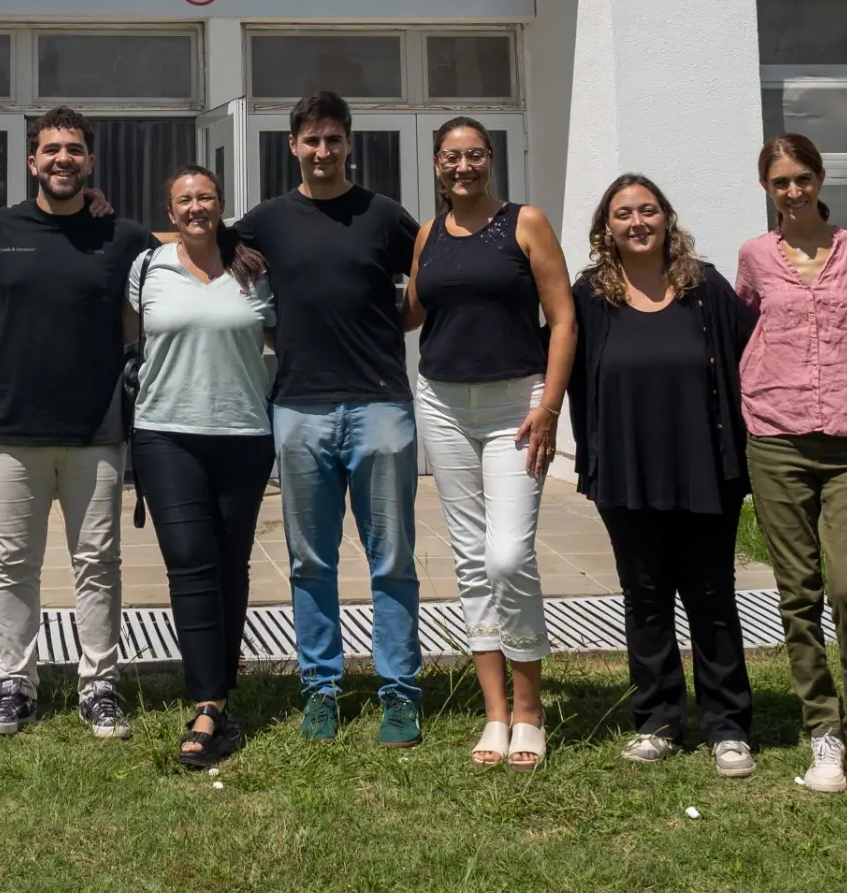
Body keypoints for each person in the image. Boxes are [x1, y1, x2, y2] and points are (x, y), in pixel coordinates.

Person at [0, 107, 155, 742]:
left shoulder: (123, 237)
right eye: (51, 149)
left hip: (97, 427)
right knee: (14, 563)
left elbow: (179, 264)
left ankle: (99, 687)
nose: (63, 158)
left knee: (98, 562)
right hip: (12, 428)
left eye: (74, 149)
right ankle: (16, 686)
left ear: (90, 161)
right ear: (32, 160)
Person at [232, 91, 424, 746]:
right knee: (310, 561)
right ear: (293, 145)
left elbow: (433, 268)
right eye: (311, 140)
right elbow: (200, 240)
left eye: (333, 139)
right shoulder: (268, 220)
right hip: (299, 407)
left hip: (381, 405)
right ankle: (321, 689)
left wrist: (396, 323)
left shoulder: (383, 215)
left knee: (391, 559)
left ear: (349, 143)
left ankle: (400, 692)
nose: (322, 151)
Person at [569, 172, 759, 779]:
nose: (637, 222)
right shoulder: (589, 296)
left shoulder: (705, 288)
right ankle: (658, 719)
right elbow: (556, 357)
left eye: (648, 210)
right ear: (606, 228)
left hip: (705, 465)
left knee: (712, 595)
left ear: (666, 219)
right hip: (625, 469)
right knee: (645, 597)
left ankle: (726, 725)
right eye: (624, 214)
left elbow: (760, 352)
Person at [402, 116, 576, 770]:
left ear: (491, 160)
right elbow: (412, 311)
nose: (463, 167)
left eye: (474, 155)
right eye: (451, 157)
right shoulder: (428, 234)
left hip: (516, 406)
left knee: (508, 556)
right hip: (443, 404)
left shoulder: (525, 223)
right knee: (471, 559)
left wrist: (550, 406)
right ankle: (496, 713)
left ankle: (530, 711)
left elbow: (563, 318)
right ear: (436, 165)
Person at [734, 133, 847, 797]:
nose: (794, 190)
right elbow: (743, 333)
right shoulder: (754, 257)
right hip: (775, 437)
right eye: (781, 182)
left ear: (821, 178)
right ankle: (823, 732)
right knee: (798, 593)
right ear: (766, 189)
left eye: (802, 177)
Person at [126, 163, 278, 770]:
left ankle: (221, 687)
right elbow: (130, 340)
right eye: (185, 200)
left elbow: (281, 339)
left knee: (230, 564)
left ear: (220, 204)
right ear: (171, 213)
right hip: (165, 434)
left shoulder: (254, 270)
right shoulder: (147, 268)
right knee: (190, 562)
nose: (196, 207)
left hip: (244, 432)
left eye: (206, 197)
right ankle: (207, 704)